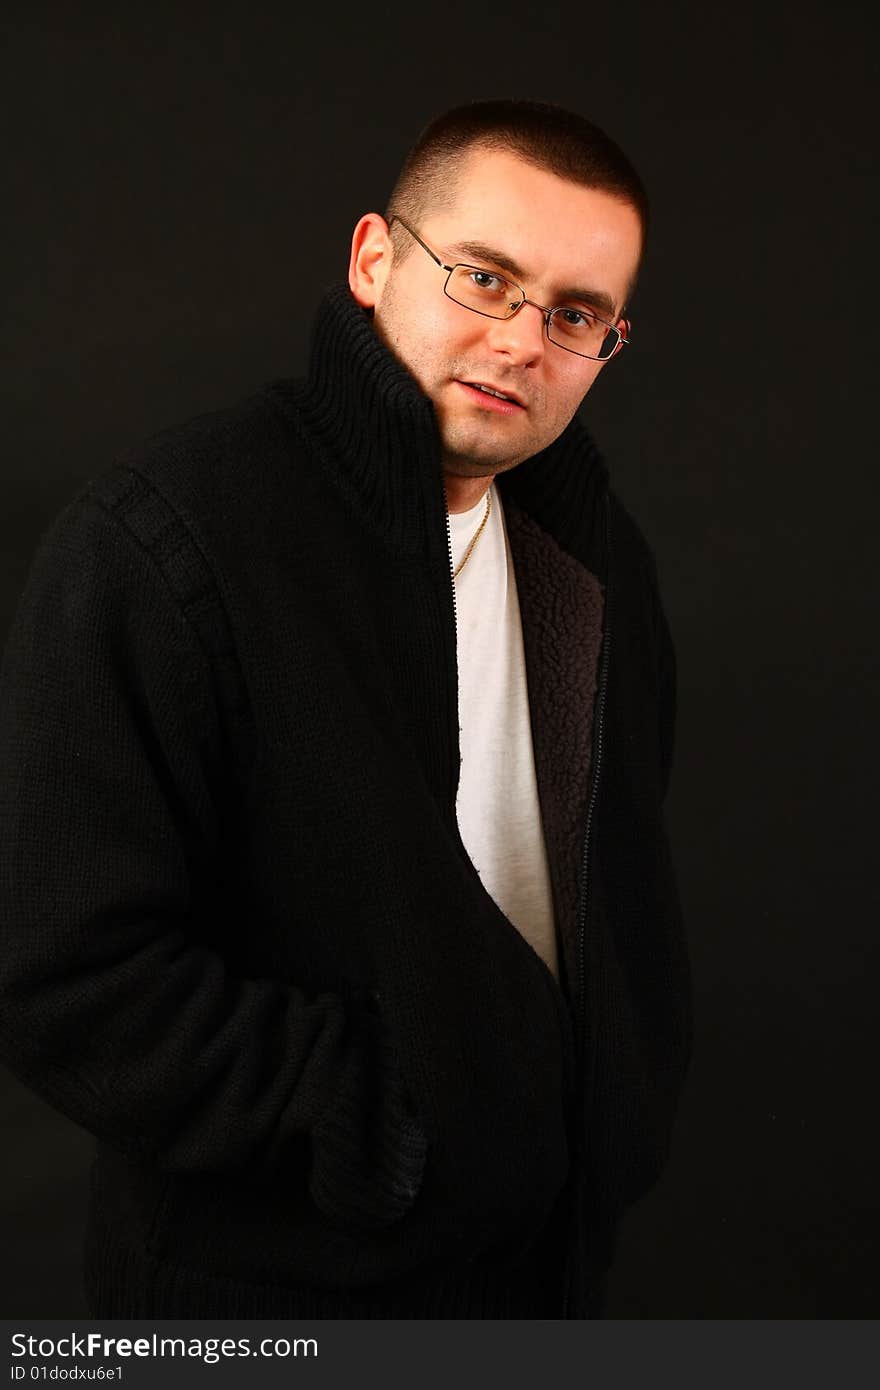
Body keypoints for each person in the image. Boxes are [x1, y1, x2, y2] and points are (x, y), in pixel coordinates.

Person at [0, 99, 692, 1319]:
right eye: (483, 278)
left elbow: (619, 889)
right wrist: (366, 1119)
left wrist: (615, 1102)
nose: (523, 341)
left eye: (574, 314)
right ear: (375, 260)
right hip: (272, 1291)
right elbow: (59, 969)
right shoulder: (169, 538)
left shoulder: (598, 562)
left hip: (545, 1276)